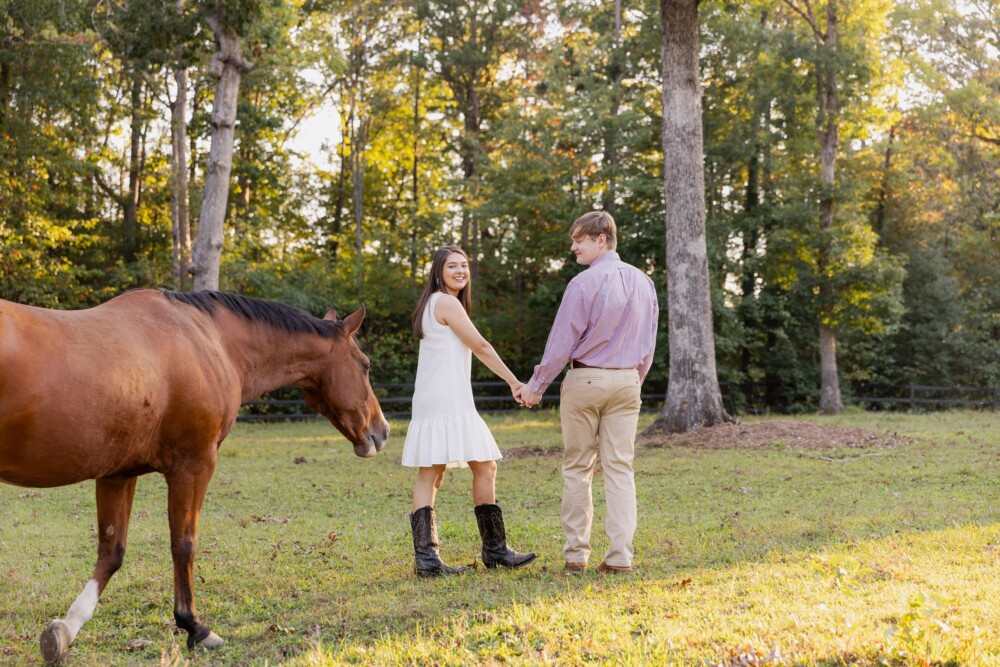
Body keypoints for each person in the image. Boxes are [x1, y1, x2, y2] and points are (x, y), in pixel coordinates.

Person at [515, 211, 658, 574]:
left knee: (578, 467)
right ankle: (620, 557)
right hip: (627, 381)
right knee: (620, 469)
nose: (573, 246)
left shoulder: (583, 283)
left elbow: (562, 343)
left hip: (586, 381)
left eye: (580, 239)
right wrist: (633, 380)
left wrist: (536, 387)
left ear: (602, 240)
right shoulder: (645, 282)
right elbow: (649, 342)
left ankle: (576, 555)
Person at [402, 246, 537, 578]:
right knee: (480, 467)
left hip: (438, 399)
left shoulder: (434, 303)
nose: (461, 271)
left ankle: (431, 560)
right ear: (438, 271)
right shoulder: (445, 302)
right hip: (448, 401)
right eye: (452, 266)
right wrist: (514, 382)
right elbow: (481, 346)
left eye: (464, 265)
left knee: (433, 475)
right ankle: (491, 551)